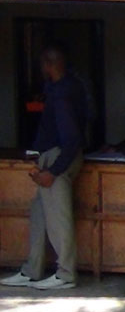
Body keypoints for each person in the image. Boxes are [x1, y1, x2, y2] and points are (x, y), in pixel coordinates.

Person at [1, 46, 87, 290]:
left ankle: (65, 274)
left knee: (58, 219)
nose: (41, 69)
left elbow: (71, 138)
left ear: (50, 64)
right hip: (53, 156)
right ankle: (32, 270)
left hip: (58, 158)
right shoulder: (67, 87)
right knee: (39, 213)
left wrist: (54, 170)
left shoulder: (62, 95)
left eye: (42, 65)